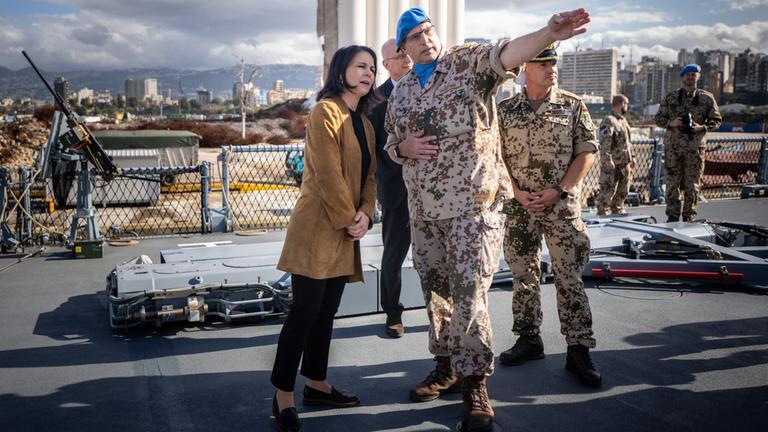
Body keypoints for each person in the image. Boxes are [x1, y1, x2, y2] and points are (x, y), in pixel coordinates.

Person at [384, 7, 591, 432]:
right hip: (424, 212)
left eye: (429, 31)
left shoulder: (466, 63)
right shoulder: (401, 91)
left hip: (471, 210)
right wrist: (402, 148)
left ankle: (475, 382)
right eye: (415, 37)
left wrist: (548, 32)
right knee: (435, 292)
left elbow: (508, 54)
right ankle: (445, 366)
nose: (425, 39)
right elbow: (390, 144)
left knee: (470, 296)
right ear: (404, 49)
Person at [270, 45, 379, 432]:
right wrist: (351, 216)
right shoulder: (325, 112)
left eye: (371, 68)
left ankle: (316, 384)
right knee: (304, 313)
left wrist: (366, 213)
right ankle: (282, 395)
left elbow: (369, 176)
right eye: (359, 66)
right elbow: (328, 173)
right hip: (318, 227)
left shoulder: (364, 123)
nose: (367, 73)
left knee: (327, 314)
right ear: (341, 71)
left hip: (347, 227)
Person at [496, 44, 602, 389]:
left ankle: (578, 348)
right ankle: (529, 339)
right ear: (525, 68)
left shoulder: (572, 105)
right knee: (523, 276)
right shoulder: (505, 110)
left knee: (569, 278)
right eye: (543, 63)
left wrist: (560, 189)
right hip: (519, 207)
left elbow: (586, 153)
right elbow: (495, 158)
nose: (551, 68)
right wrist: (515, 192)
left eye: (554, 63)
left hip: (560, 206)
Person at [368, 38, 413, 338]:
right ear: (386, 65)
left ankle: (445, 315)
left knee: (440, 256)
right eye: (400, 55)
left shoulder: (432, 90)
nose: (407, 57)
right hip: (396, 191)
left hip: (434, 191)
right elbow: (373, 151)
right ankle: (392, 314)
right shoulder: (374, 101)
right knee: (393, 256)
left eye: (408, 52)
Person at [655, 63, 722, 222]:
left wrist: (702, 127)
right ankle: (672, 216)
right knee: (672, 184)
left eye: (693, 74)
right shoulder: (671, 97)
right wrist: (671, 123)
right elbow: (658, 118)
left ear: (698, 77)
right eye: (687, 74)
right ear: (682, 77)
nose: (690, 77)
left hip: (694, 148)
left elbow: (717, 120)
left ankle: (689, 217)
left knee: (693, 185)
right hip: (673, 148)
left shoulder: (706, 98)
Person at [596, 94, 634, 215]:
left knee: (624, 189)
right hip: (613, 162)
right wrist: (607, 159)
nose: (627, 107)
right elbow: (605, 141)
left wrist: (632, 157)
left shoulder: (623, 120)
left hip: (624, 162)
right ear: (622, 104)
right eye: (626, 104)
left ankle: (618, 208)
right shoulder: (609, 120)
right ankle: (603, 211)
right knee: (608, 188)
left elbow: (628, 141)